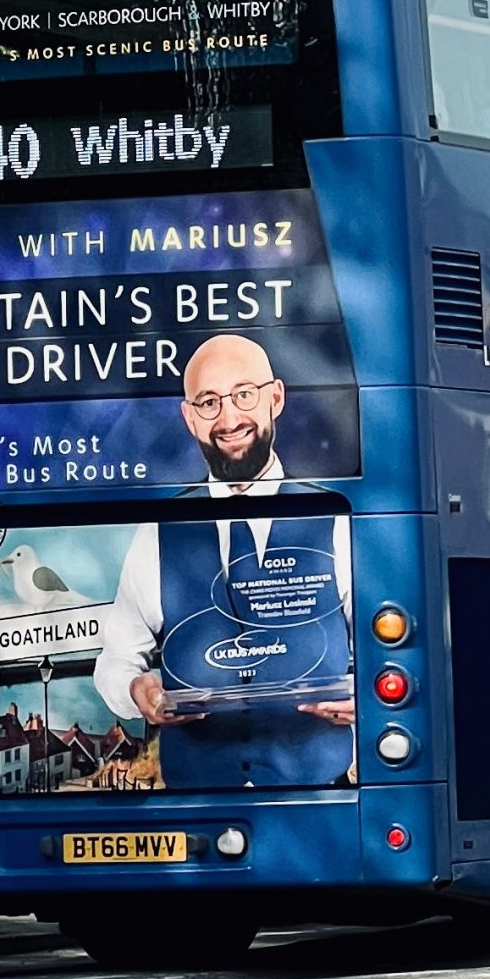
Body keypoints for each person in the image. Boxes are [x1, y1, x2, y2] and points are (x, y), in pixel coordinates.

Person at [93, 333, 355, 788]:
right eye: (209, 402)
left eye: (244, 395)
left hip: (318, 803)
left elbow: (392, 658)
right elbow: (115, 661)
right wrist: (137, 691)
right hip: (197, 806)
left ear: (276, 398)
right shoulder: (157, 531)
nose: (230, 418)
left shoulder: (335, 518)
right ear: (189, 418)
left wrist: (365, 697)